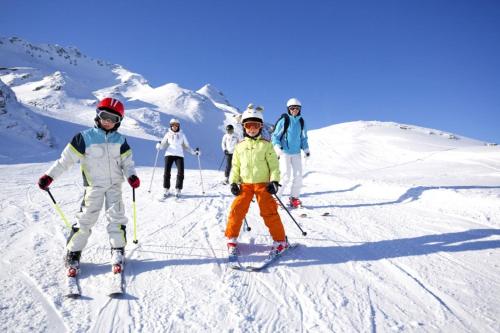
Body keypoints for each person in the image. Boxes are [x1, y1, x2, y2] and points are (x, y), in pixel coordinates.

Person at [37, 97, 140, 277]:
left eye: (113, 119)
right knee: (86, 218)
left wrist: (131, 176)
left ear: (119, 122)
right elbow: (65, 161)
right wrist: (49, 176)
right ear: (98, 115)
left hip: (114, 185)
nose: (108, 121)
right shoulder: (84, 138)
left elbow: (127, 163)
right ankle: (73, 253)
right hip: (94, 186)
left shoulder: (121, 140)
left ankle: (117, 249)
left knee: (116, 216)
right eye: (105, 116)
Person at [225, 104, 288, 256]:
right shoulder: (239, 147)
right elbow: (235, 166)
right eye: (248, 125)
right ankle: (231, 239)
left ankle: (280, 241)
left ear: (260, 127)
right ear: (244, 127)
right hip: (245, 185)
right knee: (236, 210)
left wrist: (274, 181)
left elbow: (274, 166)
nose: (252, 129)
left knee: (269, 211)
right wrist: (233, 182)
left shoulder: (266, 146)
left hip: (262, 185)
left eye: (256, 125)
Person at [271, 97, 310, 208]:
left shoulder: (301, 121)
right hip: (285, 152)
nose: (295, 110)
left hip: (296, 152)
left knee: (298, 176)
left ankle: (294, 198)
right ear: (288, 109)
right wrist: (278, 147)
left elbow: (303, 138)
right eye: (292, 108)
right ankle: (276, 197)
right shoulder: (284, 120)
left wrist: (306, 149)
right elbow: (275, 136)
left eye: (297, 108)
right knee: (285, 175)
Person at [156, 118, 200, 198]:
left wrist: (194, 152)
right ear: (171, 126)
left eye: (176, 125)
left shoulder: (182, 135)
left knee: (180, 172)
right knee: (167, 172)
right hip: (169, 154)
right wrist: (159, 146)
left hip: (179, 155)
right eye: (173, 125)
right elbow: (163, 144)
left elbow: (187, 147)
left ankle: (178, 189)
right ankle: (166, 188)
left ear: (178, 126)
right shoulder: (167, 134)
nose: (175, 126)